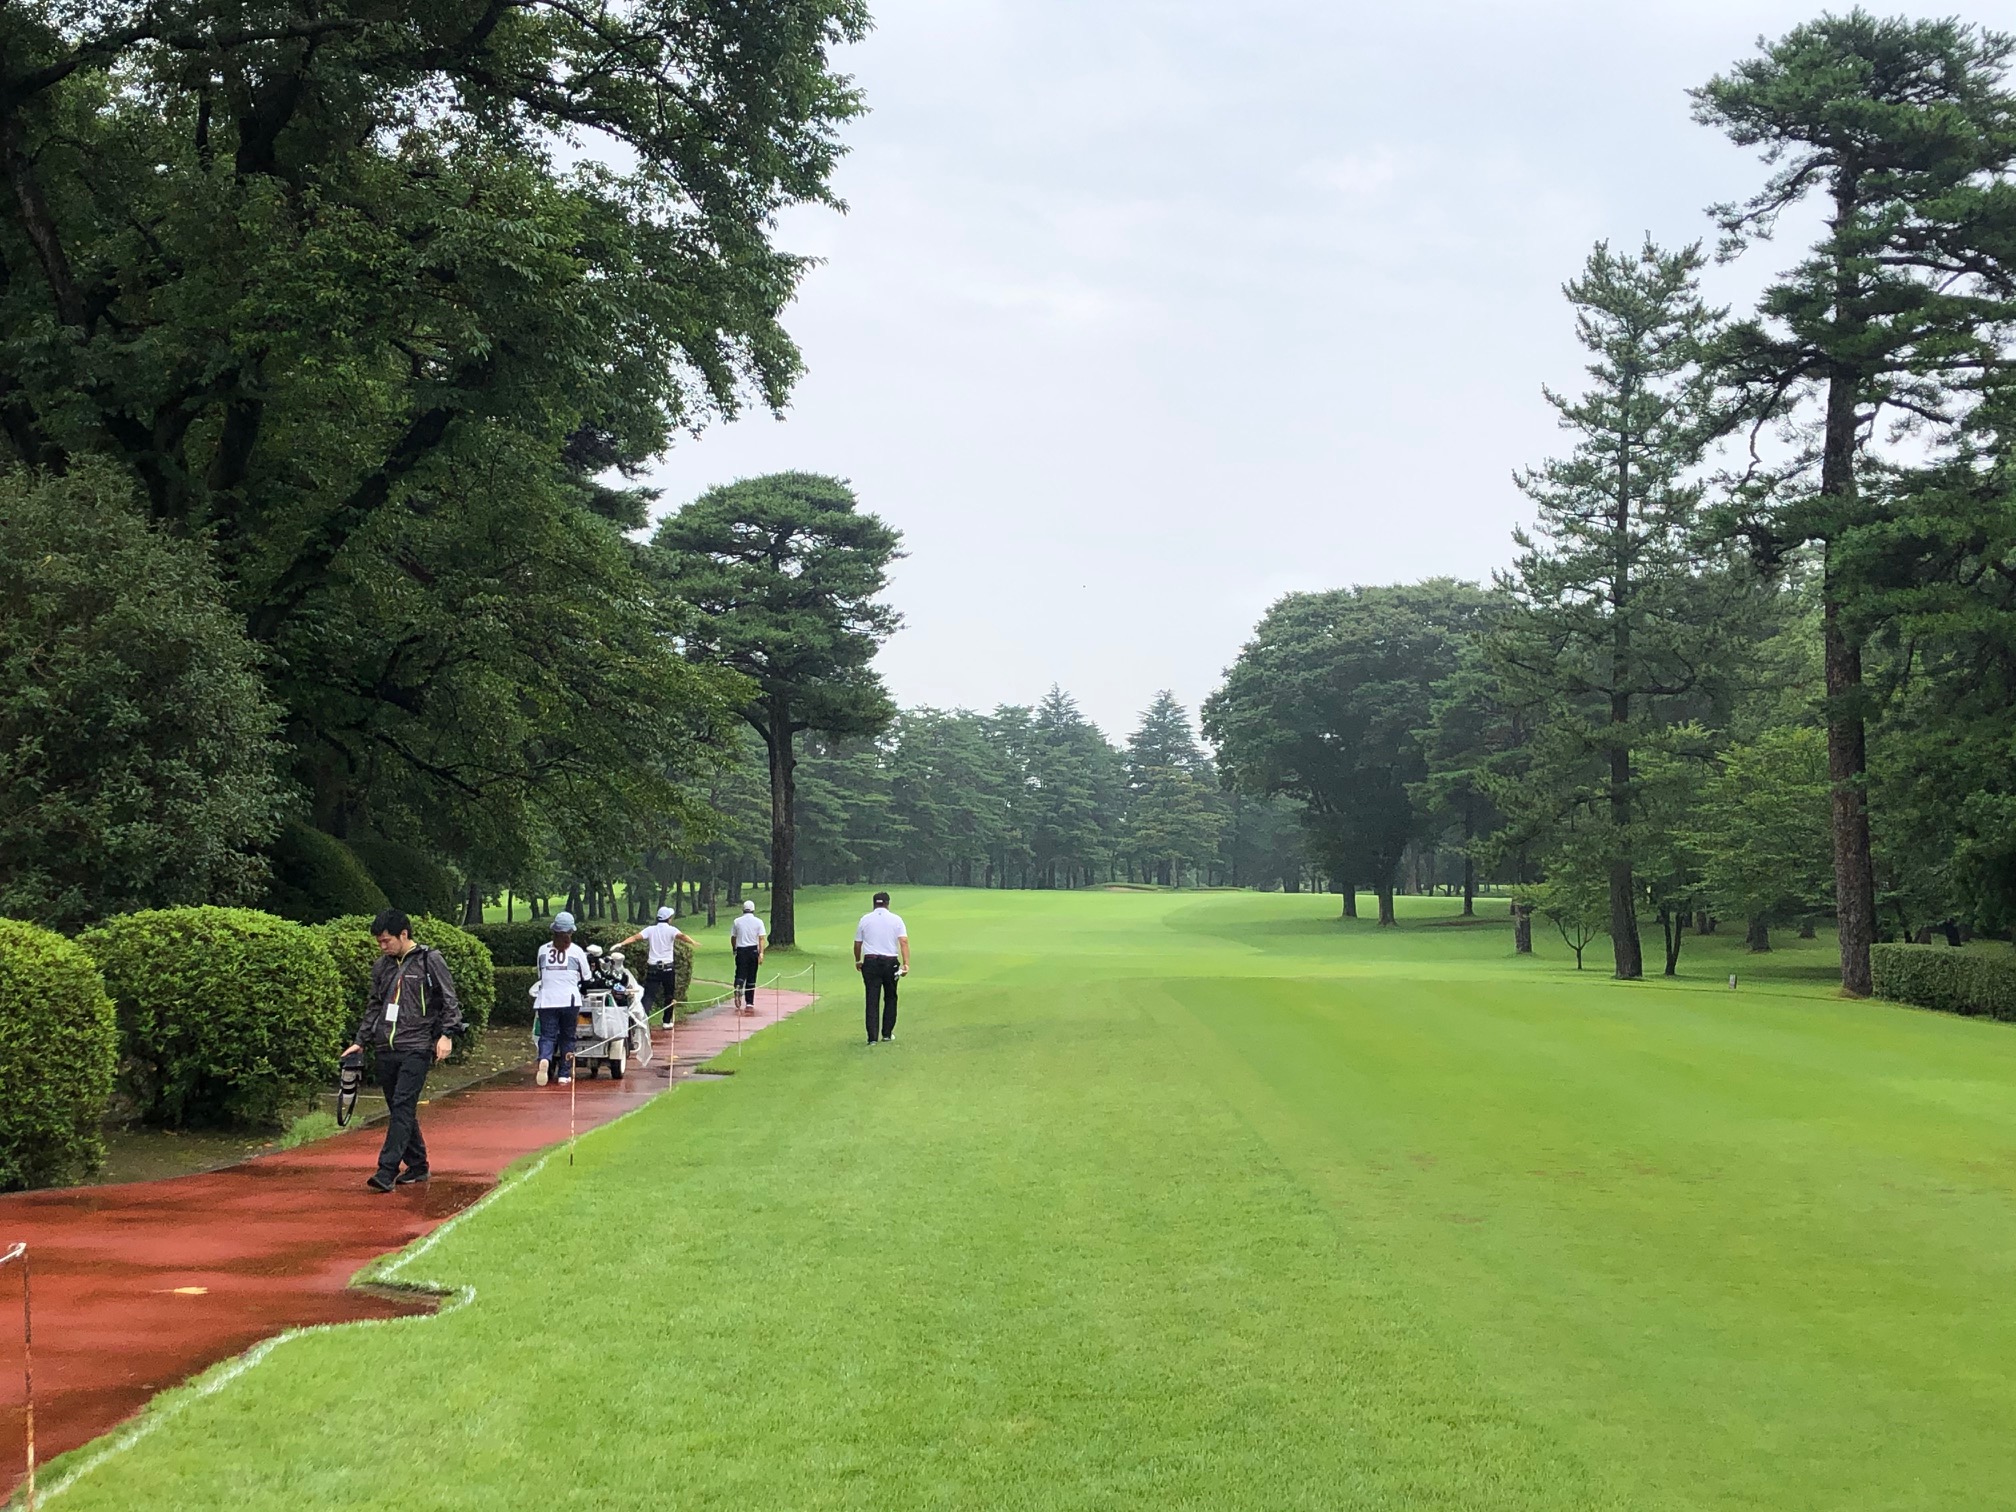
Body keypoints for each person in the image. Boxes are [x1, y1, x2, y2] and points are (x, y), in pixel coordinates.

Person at [343, 909, 462, 1192]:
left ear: (404, 935)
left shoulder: (429, 960)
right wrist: (361, 1040)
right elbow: (374, 1005)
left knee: (403, 1105)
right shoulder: (381, 966)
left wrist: (447, 1034)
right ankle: (418, 1164)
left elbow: (449, 998)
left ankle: (386, 1171)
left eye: (386, 941)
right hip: (386, 1046)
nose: (382, 946)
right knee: (399, 1108)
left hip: (417, 1045)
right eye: (379, 942)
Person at [534, 912, 594, 1087]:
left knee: (547, 1035)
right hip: (569, 1000)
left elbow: (540, 975)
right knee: (568, 1037)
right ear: (571, 932)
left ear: (554, 931)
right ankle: (564, 1074)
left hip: (546, 1000)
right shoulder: (577, 951)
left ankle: (544, 1058)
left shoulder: (543, 950)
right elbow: (587, 978)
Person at [616, 907, 694, 1028]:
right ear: (669, 919)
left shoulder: (650, 929)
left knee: (649, 995)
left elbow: (635, 937)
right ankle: (666, 1021)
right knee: (669, 995)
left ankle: (642, 1019)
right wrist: (693, 942)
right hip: (668, 968)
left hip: (653, 967)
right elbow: (682, 936)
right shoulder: (671, 930)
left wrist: (621, 943)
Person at [853, 891, 910, 1046]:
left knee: (872, 999)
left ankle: (872, 1037)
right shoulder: (896, 919)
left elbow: (858, 944)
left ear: (874, 904)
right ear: (887, 903)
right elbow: (903, 942)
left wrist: (858, 960)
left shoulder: (865, 919)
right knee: (890, 997)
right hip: (890, 962)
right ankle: (887, 1033)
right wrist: (906, 963)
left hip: (871, 962)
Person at [730, 900, 767, 1014]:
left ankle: (738, 986)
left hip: (741, 950)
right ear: (753, 909)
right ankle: (749, 1002)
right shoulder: (758, 922)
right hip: (753, 950)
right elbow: (761, 938)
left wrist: (734, 948)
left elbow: (733, 937)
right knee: (751, 976)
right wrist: (761, 953)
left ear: (743, 909)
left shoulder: (737, 921)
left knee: (740, 973)